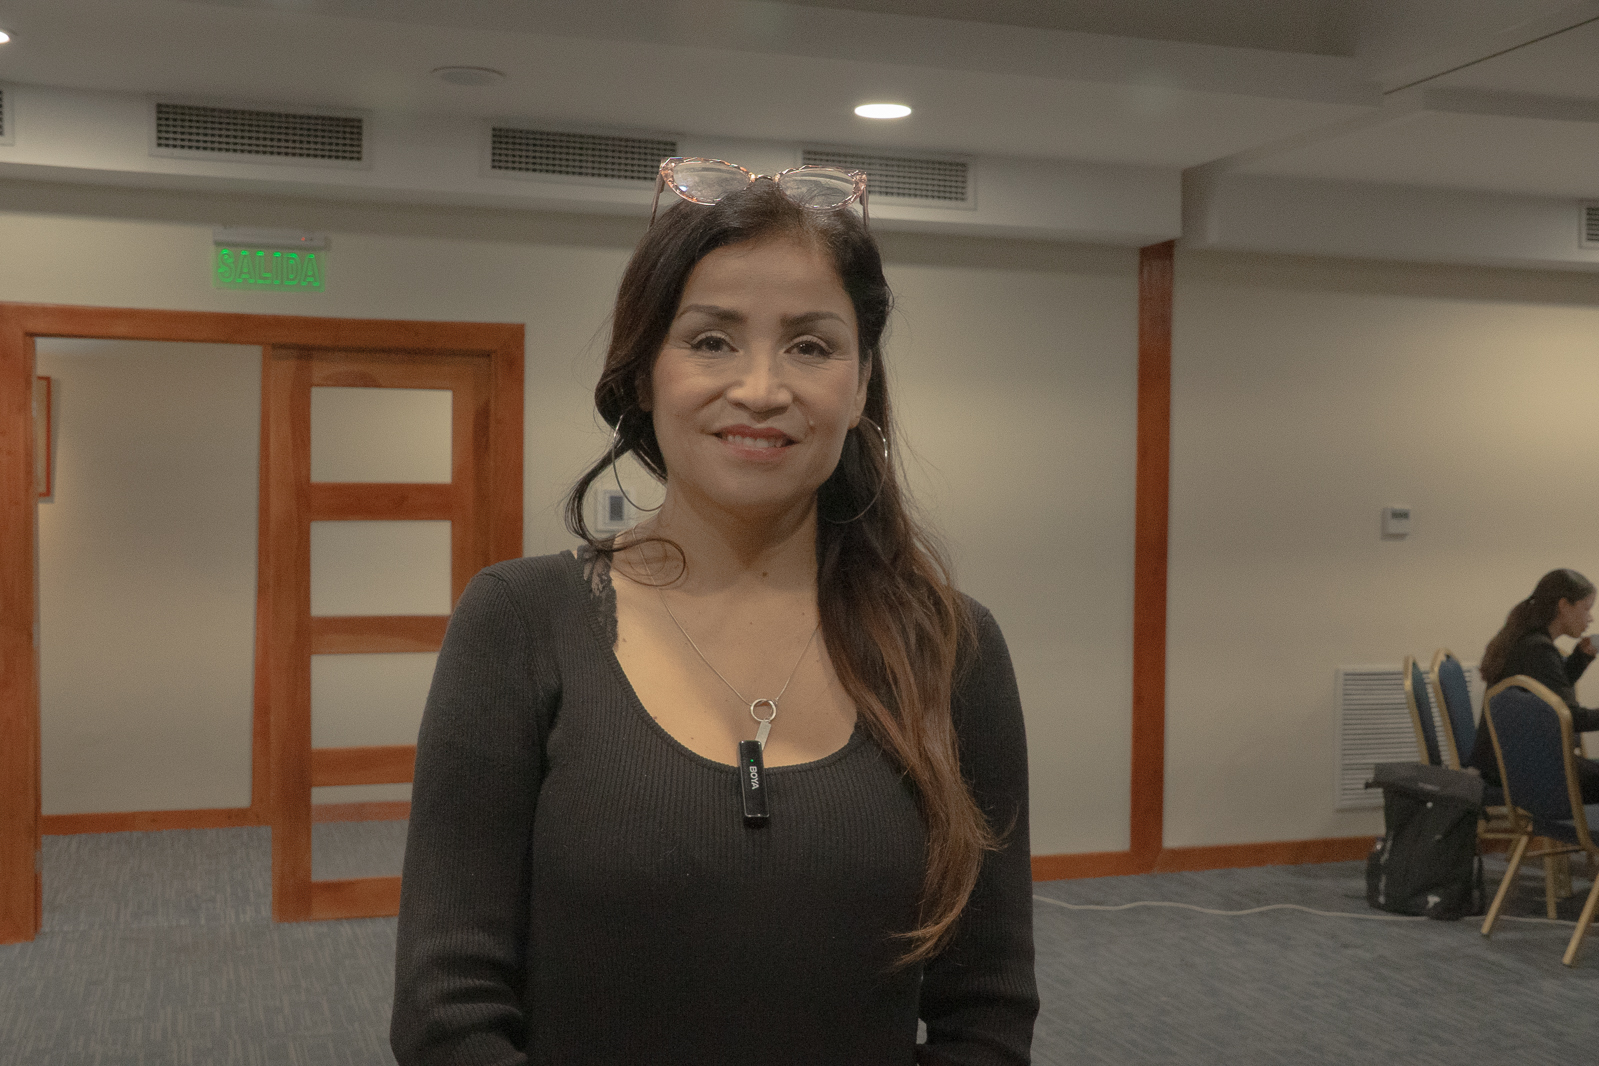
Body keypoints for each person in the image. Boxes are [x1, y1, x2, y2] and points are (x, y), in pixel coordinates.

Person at [390, 159, 1038, 1065]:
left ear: (860, 387)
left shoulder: (949, 647)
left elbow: (987, 1013)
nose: (762, 389)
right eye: (710, 341)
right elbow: (447, 1012)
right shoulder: (521, 622)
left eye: (810, 346)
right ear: (643, 375)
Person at [1472, 567, 1599, 801]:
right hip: (1522, 768)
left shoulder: (1528, 640)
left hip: (1506, 760)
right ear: (1564, 605)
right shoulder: (1537, 649)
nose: (1590, 618)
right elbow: (1570, 717)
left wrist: (1580, 658)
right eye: (1586, 608)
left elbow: (1547, 693)